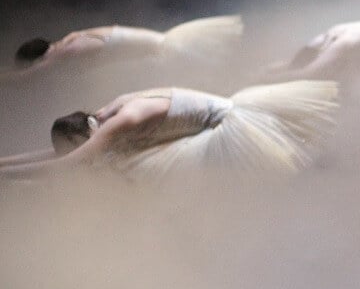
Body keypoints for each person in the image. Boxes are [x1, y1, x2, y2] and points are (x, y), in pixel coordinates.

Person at [0, 80, 338, 181]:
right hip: (214, 126)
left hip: (227, 127)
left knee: (290, 166)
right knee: (292, 158)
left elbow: (69, 163)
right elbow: (67, 154)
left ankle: (335, 170)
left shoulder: (120, 121)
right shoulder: (103, 113)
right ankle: (331, 169)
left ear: (84, 135)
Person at [4, 15, 243, 81]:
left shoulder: (68, 48)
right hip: (161, 48)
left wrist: (6, 77)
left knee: (218, 73)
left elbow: (33, 74)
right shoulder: (70, 39)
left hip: (166, 50)